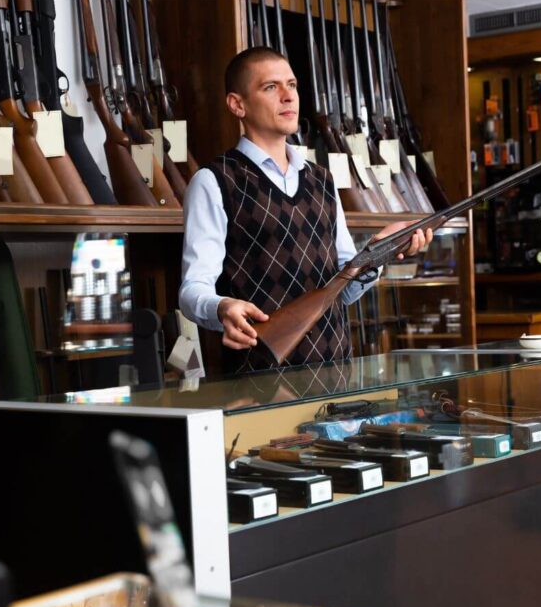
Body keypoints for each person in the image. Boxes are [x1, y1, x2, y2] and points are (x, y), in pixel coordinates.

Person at [179, 47, 431, 375]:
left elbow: (345, 290)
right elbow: (192, 289)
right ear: (237, 104)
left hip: (335, 375)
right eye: (270, 87)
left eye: (292, 85)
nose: (288, 97)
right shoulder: (214, 182)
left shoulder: (322, 179)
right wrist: (222, 306)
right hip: (260, 381)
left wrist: (378, 252)